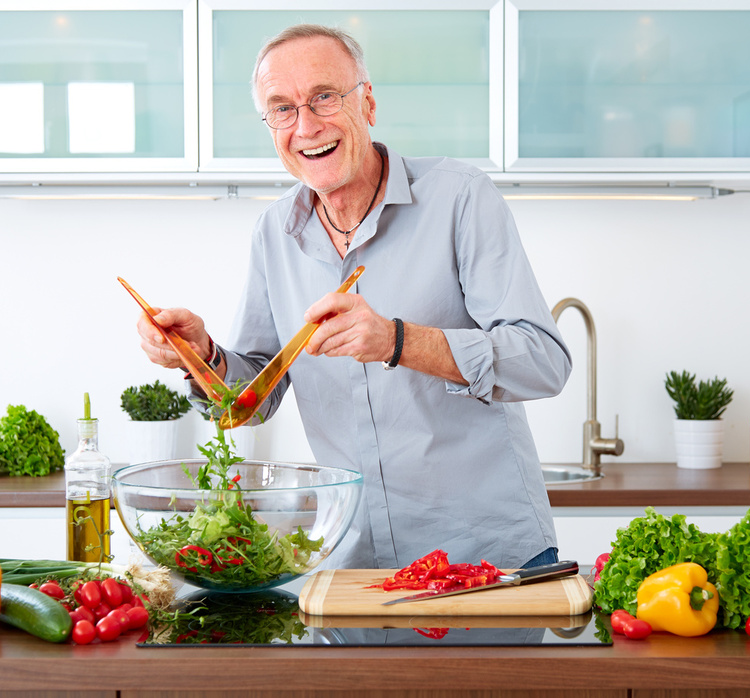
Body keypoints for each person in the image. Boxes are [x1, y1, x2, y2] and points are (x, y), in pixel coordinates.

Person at [136, 24, 571, 570]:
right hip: (354, 559)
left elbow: (543, 362)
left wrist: (397, 341)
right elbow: (256, 396)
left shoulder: (459, 197)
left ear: (366, 102)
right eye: (282, 109)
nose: (306, 125)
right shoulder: (274, 233)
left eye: (324, 97)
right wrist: (201, 355)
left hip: (485, 554)